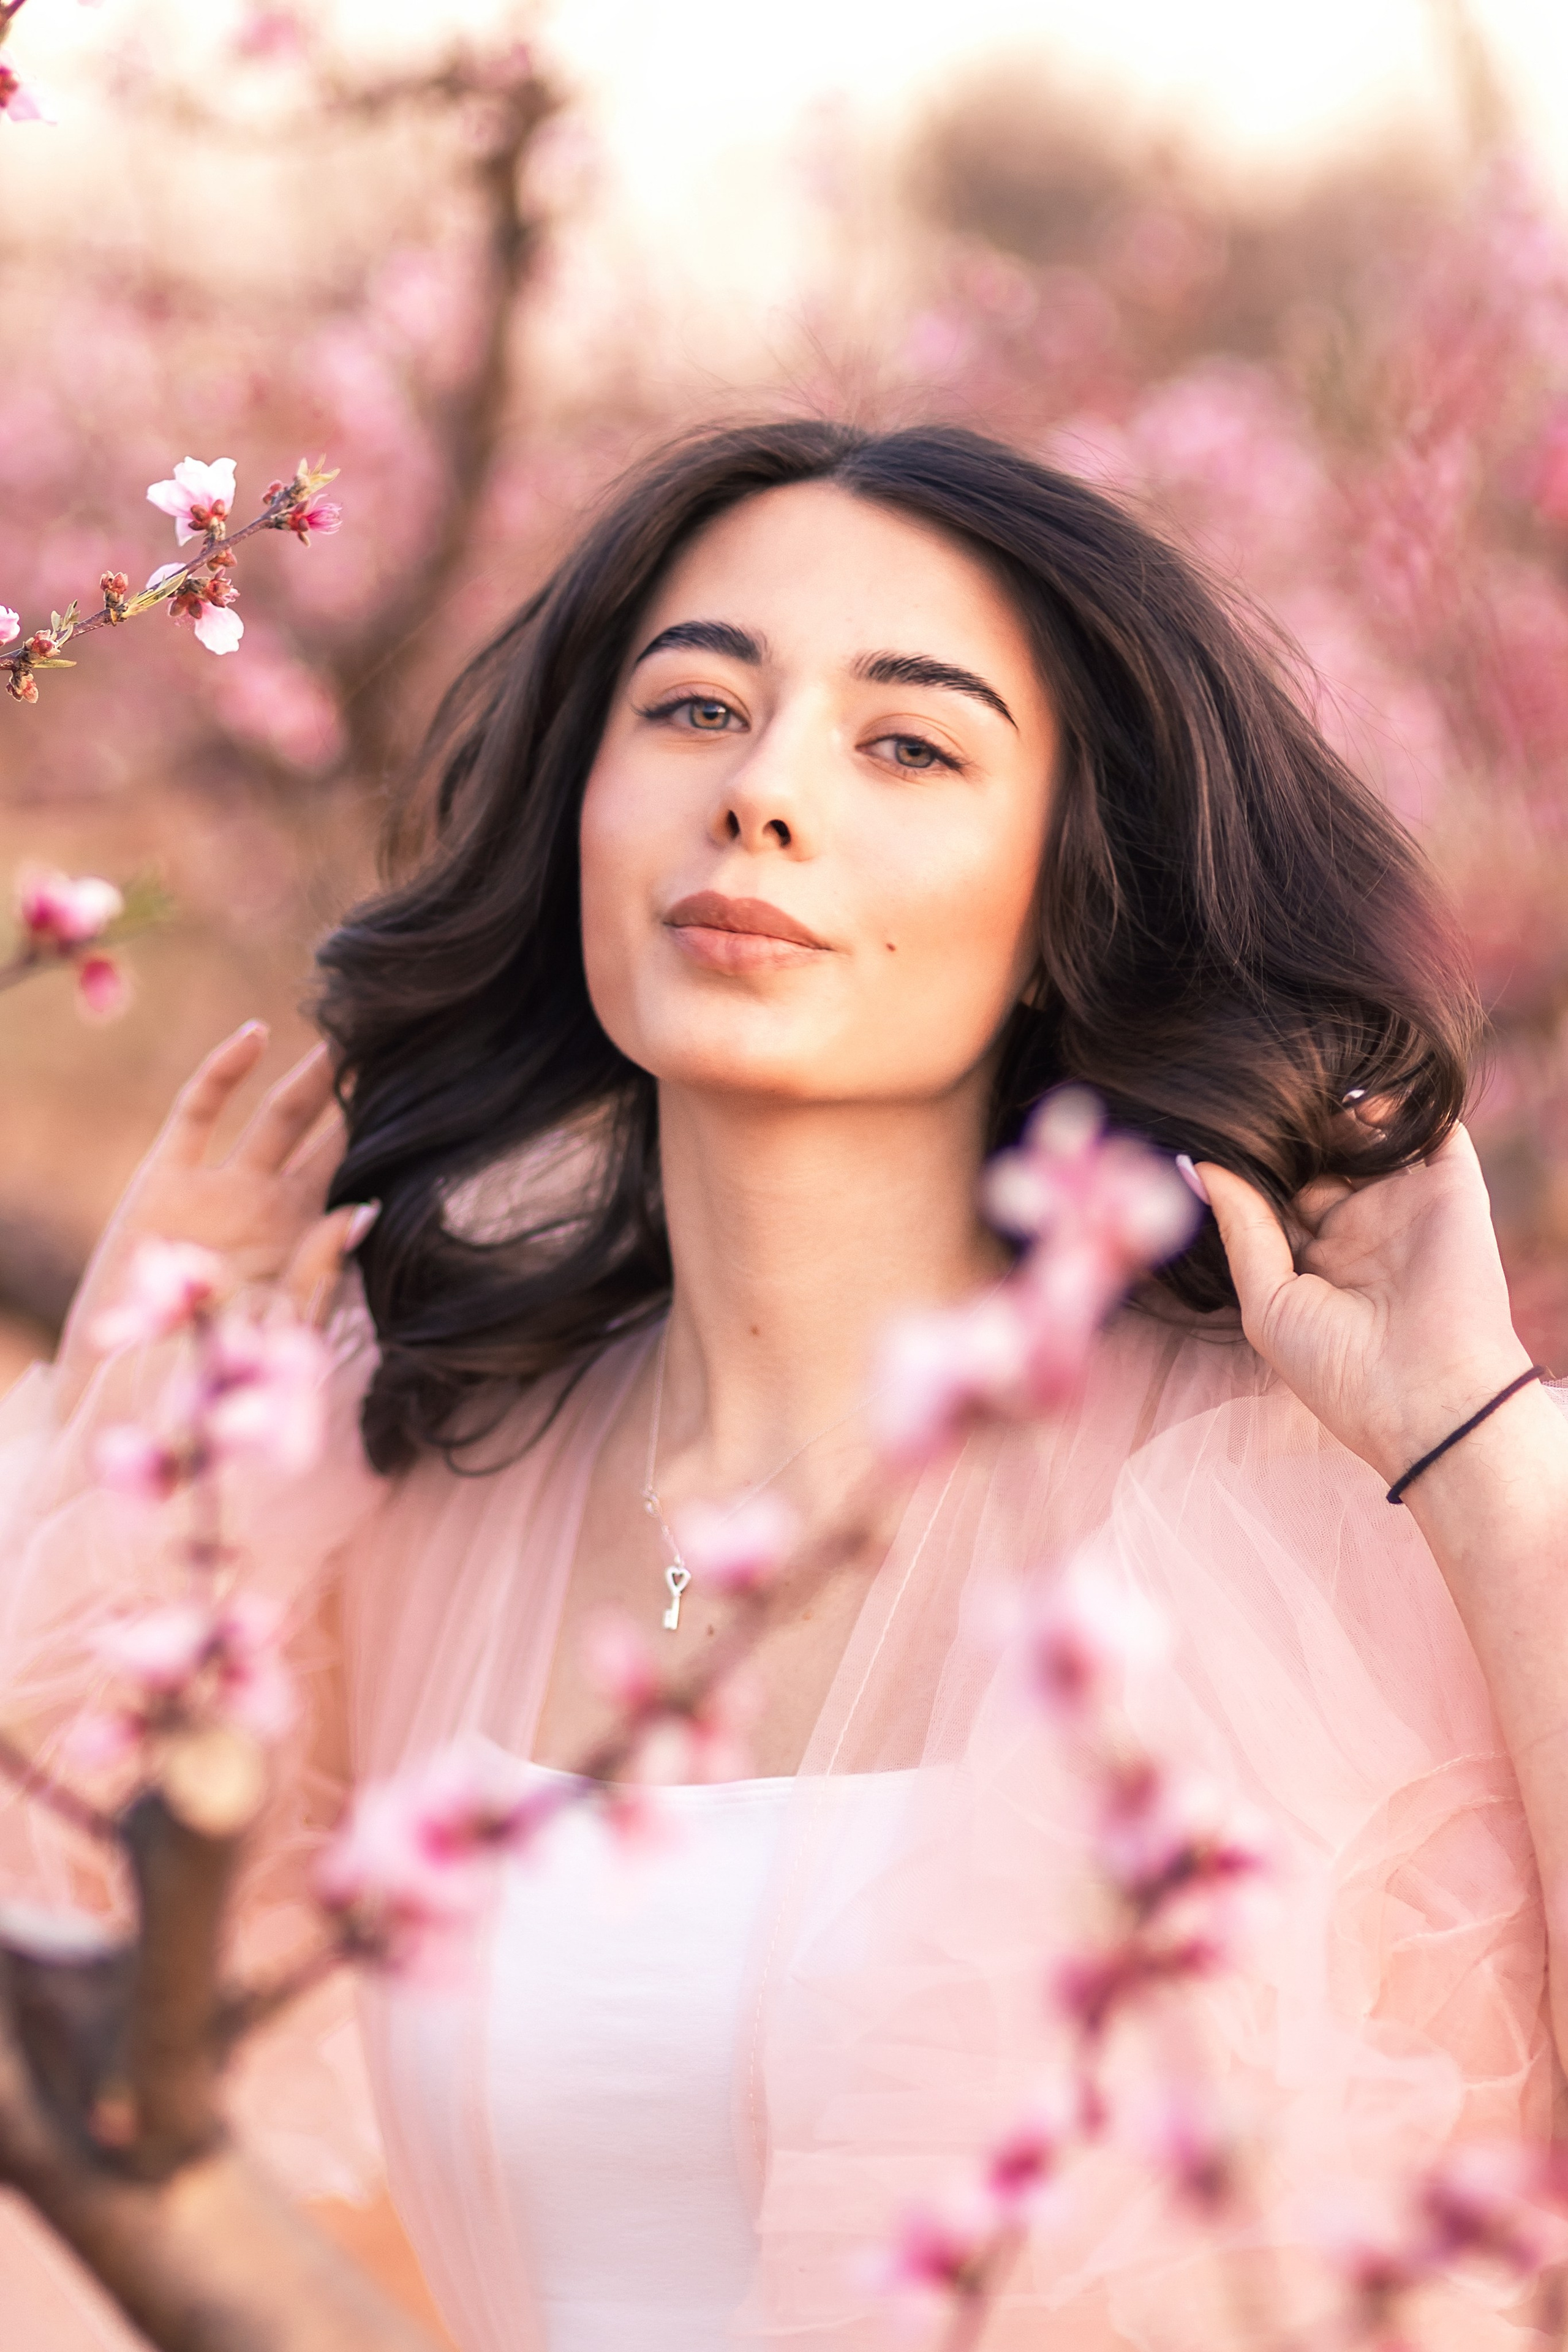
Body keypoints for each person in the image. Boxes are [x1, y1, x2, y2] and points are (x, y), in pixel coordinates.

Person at [4, 419, 1567, 2351]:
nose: (762, 793)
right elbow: (86, 2064)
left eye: (906, 742)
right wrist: (147, 1409)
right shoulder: (420, 1463)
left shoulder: (1275, 1514)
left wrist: (1483, 1449)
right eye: (693, 709)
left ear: (1063, 895)